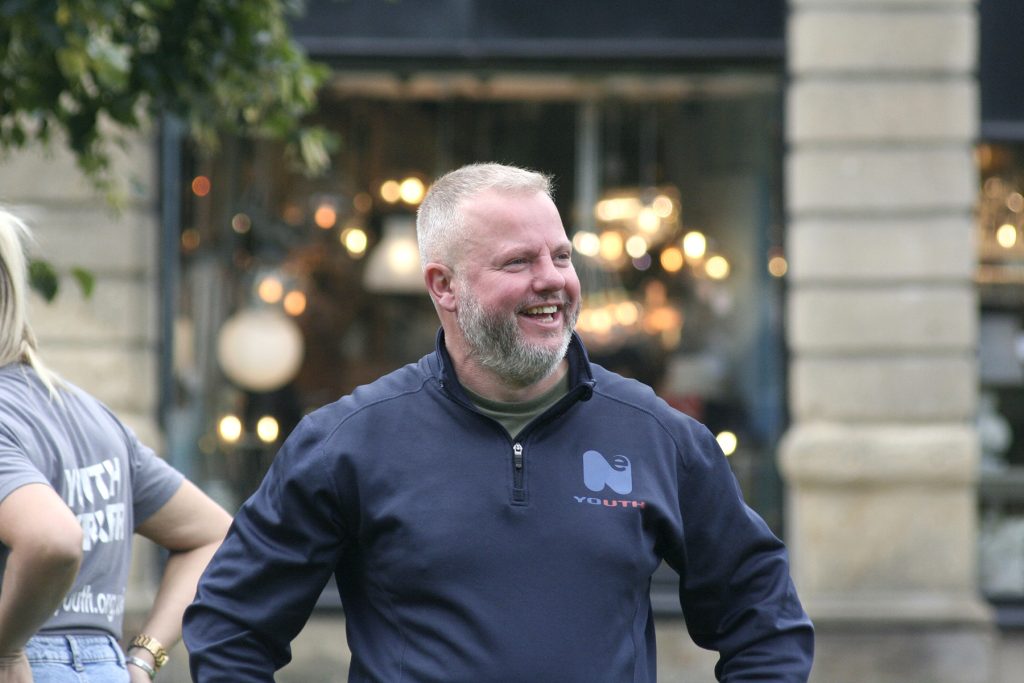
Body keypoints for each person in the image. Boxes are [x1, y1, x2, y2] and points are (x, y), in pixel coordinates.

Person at [184, 163, 814, 681]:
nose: (553, 281)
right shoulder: (348, 442)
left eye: (561, 256)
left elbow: (763, 614)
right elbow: (231, 626)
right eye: (518, 263)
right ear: (444, 285)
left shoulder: (656, 433)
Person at [0, 207, 233, 683]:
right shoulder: (86, 411)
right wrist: (144, 658)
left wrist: (6, 650)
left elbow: (52, 540)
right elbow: (217, 534)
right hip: (104, 665)